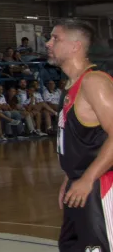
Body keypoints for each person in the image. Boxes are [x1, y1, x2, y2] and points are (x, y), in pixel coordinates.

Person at [45, 19, 113, 252]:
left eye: (55, 38)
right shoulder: (70, 85)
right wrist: (70, 177)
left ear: (76, 46)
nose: (48, 43)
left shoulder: (94, 82)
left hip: (99, 184)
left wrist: (87, 178)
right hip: (80, 184)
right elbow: (79, 140)